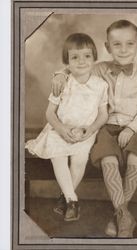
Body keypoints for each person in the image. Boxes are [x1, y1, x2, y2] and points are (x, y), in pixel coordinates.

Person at [52, 20, 137, 237]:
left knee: (135, 160)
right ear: (107, 47)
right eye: (117, 44)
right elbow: (76, 68)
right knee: (107, 159)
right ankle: (124, 217)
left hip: (136, 129)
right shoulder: (99, 68)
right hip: (106, 127)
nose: (123, 50)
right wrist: (59, 74)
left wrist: (132, 128)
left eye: (130, 44)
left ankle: (119, 214)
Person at [25, 33, 108, 222]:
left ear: (95, 58)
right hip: (59, 129)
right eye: (75, 57)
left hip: (86, 131)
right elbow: (49, 114)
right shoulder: (62, 82)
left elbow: (103, 114)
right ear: (67, 62)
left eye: (87, 56)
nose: (81, 62)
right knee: (58, 157)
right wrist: (62, 129)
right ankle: (72, 200)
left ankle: (65, 196)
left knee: (80, 159)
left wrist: (91, 129)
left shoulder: (100, 85)